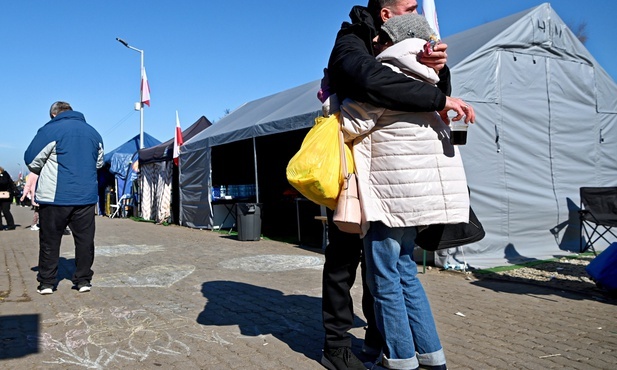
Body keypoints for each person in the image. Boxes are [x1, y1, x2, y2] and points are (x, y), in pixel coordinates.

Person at [320, 1, 473, 370]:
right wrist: (437, 89)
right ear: (387, 15)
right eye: (409, 6)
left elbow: (354, 116)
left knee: (383, 274)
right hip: (380, 186)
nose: (416, 10)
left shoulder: (402, 65)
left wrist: (439, 71)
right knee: (374, 266)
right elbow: (366, 75)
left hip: (383, 187)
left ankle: (396, 355)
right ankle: (343, 346)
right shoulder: (353, 38)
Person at [24, 101, 104, 295]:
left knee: (50, 240)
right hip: (85, 197)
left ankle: (47, 283)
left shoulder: (50, 130)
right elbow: (100, 162)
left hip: (55, 197)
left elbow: (31, 159)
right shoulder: (93, 132)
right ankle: (83, 280)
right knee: (85, 241)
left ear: (53, 114)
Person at [0, 166, 17, 230]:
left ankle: (11, 225)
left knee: (5, 210)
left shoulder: (5, 174)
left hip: (6, 196)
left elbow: (5, 182)